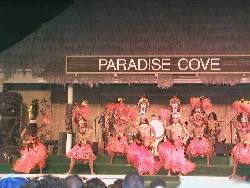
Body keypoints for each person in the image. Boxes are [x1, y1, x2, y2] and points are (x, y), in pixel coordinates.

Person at [158, 96, 195, 176]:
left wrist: (184, 140)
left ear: (178, 118)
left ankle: (180, 172)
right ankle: (169, 172)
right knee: (171, 158)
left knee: (180, 158)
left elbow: (188, 134)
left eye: (176, 118)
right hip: (172, 143)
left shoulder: (181, 126)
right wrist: (164, 119)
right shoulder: (171, 126)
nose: (175, 119)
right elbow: (165, 127)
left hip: (179, 144)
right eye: (174, 118)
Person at [186, 97, 211, 166]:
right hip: (195, 138)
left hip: (202, 138)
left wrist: (204, 109)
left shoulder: (203, 122)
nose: (198, 116)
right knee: (190, 149)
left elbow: (206, 118)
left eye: (199, 115)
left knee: (207, 150)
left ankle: (208, 163)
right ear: (195, 116)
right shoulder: (194, 122)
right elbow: (189, 117)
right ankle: (189, 161)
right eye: (197, 115)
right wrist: (191, 109)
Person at [231, 111, 250, 176]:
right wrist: (237, 114)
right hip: (241, 146)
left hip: (248, 146)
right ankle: (233, 173)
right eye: (242, 122)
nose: (244, 124)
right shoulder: (239, 129)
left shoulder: (249, 129)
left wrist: (247, 117)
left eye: (245, 122)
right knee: (236, 159)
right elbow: (234, 123)